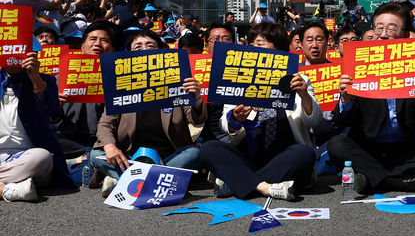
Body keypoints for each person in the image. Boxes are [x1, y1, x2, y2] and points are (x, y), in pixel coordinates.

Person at [328, 2, 415, 194]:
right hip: (368, 147)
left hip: (405, 147)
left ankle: (370, 179)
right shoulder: (359, 64)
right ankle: (402, 183)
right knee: (337, 145)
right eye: (379, 28)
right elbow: (340, 122)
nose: (383, 34)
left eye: (392, 28)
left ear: (406, 34)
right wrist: (346, 100)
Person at [199, 22, 322, 201]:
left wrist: (304, 96)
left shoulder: (299, 80)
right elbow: (225, 125)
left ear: (278, 48)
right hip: (247, 154)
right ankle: (265, 187)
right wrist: (234, 118)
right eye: (253, 45)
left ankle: (237, 181)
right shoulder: (238, 76)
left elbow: (314, 121)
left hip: (282, 156)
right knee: (209, 148)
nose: (255, 49)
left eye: (261, 45)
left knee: (304, 154)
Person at [91, 30, 207, 197]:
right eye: (137, 47)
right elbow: (105, 124)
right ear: (129, 54)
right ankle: (157, 183)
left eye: (150, 45)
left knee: (194, 152)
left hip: (168, 157)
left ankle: (128, 182)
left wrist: (195, 97)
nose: (144, 49)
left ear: (161, 51)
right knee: (96, 154)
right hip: (130, 158)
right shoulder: (121, 85)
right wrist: (110, 147)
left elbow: (197, 119)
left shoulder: (177, 81)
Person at [0, 51, 74, 202]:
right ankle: (7, 190)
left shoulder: (45, 81)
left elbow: (51, 111)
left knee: (42, 157)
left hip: (28, 156)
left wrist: (35, 78)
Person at [54, 22, 121, 160]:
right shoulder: (59, 78)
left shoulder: (120, 80)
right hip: (65, 140)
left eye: (104, 40)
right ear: (82, 46)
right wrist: (55, 108)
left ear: (113, 49)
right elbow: (48, 118)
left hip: (105, 142)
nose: (97, 44)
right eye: (93, 39)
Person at [198, 23, 237, 143]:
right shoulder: (193, 70)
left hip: (230, 136)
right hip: (196, 135)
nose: (220, 43)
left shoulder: (243, 71)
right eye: (215, 39)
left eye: (226, 39)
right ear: (206, 46)